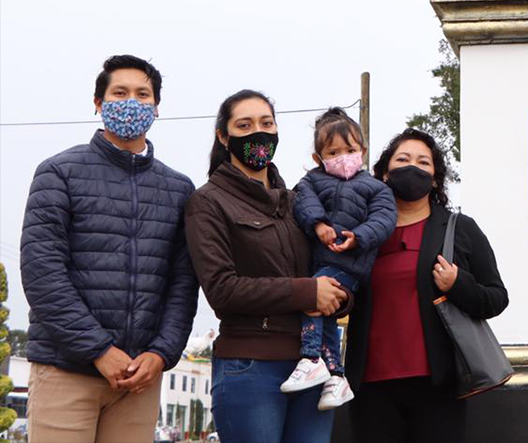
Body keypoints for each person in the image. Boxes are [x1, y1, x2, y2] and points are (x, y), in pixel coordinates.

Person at [20, 54, 198, 443]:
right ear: (99, 103)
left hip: (140, 379)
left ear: (156, 108)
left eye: (142, 94)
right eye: (120, 92)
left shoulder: (179, 189)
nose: (131, 102)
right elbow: (42, 273)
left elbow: (182, 284)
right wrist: (99, 350)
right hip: (66, 370)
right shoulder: (58, 172)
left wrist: (161, 354)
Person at [185, 90, 350, 443]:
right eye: (244, 125)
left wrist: (341, 295)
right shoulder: (208, 202)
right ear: (223, 136)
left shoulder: (298, 203)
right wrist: (308, 292)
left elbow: (330, 265)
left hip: (316, 368)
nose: (258, 133)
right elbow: (222, 289)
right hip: (251, 366)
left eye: (266, 123)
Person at [342, 128, 508, 443]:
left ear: (435, 178)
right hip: (370, 387)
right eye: (402, 160)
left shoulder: (459, 228)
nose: (412, 168)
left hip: (437, 386)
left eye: (423, 163)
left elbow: (496, 298)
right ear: (385, 173)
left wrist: (458, 283)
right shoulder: (362, 234)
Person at [283, 107, 396, 408]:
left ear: (362, 150)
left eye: (350, 149)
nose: (343, 156)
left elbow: (384, 220)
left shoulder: (377, 189)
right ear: (318, 158)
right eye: (333, 151)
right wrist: (319, 224)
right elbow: (302, 202)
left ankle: (310, 357)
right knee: (328, 316)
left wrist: (358, 237)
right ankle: (336, 376)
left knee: (313, 298)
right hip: (316, 261)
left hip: (349, 265)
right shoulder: (310, 182)